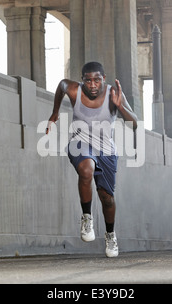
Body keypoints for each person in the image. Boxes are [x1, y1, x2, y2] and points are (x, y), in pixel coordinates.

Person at [46, 62, 138, 258]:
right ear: (82, 81)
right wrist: (55, 112)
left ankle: (110, 234)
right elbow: (62, 85)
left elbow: (134, 124)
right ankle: (87, 217)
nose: (93, 85)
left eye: (97, 80)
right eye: (88, 80)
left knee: (106, 197)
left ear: (103, 79)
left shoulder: (113, 94)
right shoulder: (74, 91)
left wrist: (119, 106)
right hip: (79, 143)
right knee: (86, 170)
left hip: (106, 150)